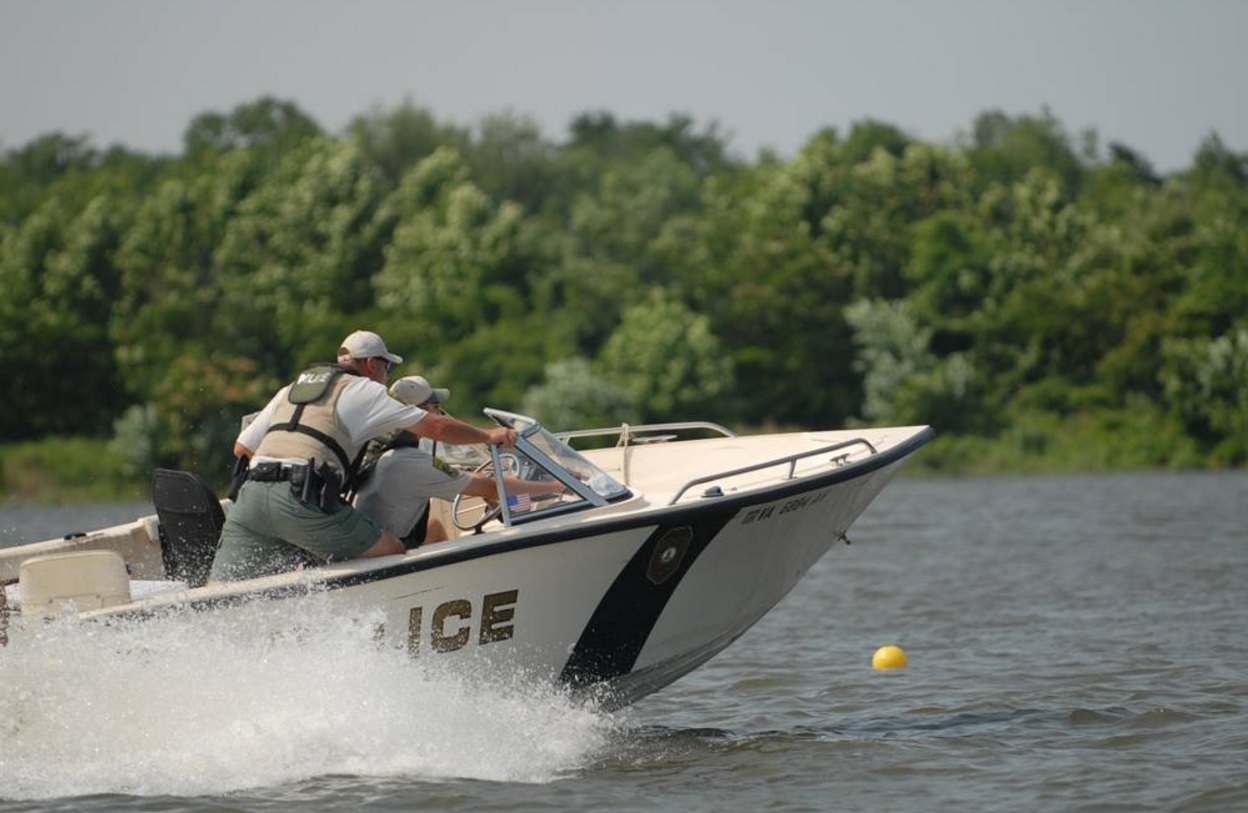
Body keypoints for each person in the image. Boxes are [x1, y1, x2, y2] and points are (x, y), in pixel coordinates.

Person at [208, 330, 517, 581]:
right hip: (299, 496)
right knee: (390, 548)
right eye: (387, 367)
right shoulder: (365, 390)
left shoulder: (292, 388)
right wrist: (488, 435)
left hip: (250, 496)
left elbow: (242, 448)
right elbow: (434, 427)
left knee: (223, 592)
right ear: (371, 364)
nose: (386, 376)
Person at [352, 375, 565, 546]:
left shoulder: (385, 452)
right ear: (418, 413)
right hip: (388, 554)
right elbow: (492, 487)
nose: (440, 413)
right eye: (435, 406)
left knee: (434, 525)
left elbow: (455, 476)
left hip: (377, 540)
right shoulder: (408, 462)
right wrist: (557, 485)